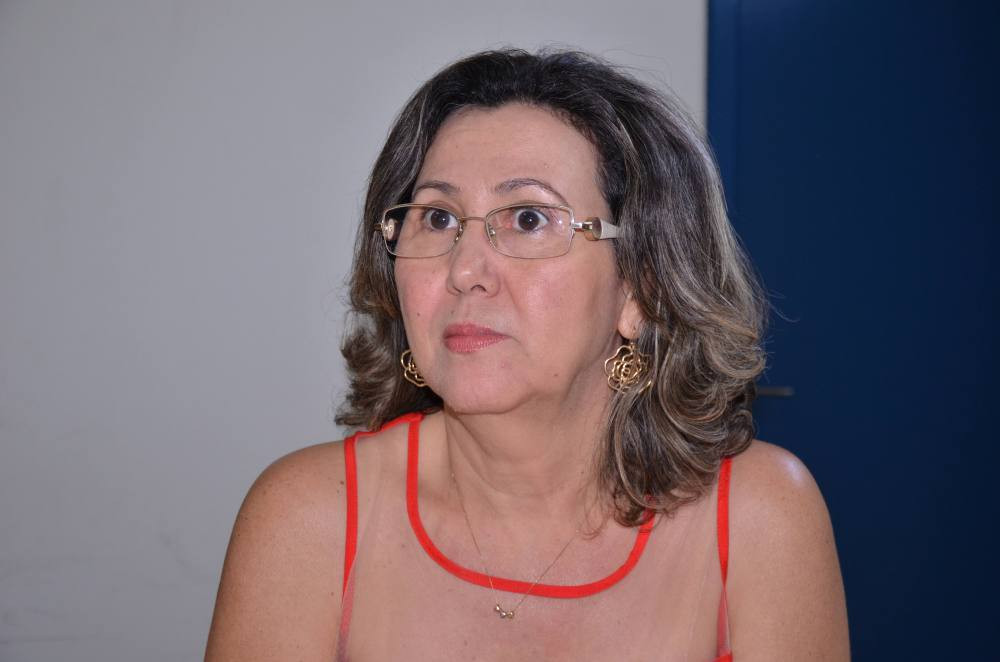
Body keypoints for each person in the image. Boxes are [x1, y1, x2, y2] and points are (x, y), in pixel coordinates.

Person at [205, 49, 849, 661]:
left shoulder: (761, 517)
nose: (465, 271)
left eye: (529, 219)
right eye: (437, 218)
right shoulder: (307, 520)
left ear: (641, 289)